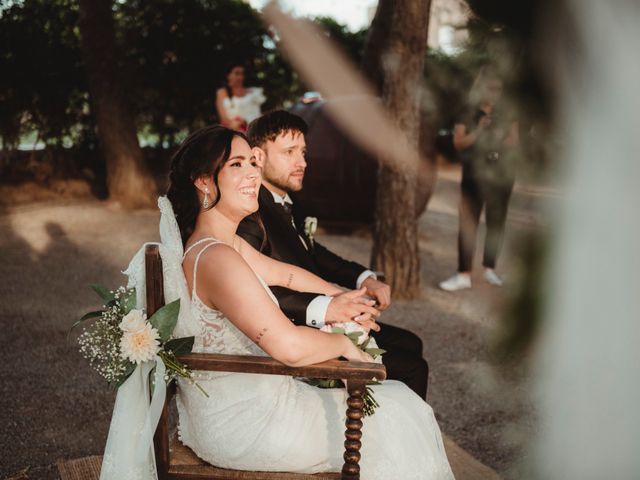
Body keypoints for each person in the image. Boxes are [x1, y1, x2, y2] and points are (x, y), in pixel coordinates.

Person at [163, 125, 454, 479]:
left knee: (398, 405)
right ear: (204, 182)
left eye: (252, 163)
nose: (253, 173)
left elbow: (286, 276)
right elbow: (289, 347)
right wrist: (344, 343)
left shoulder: (219, 243)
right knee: (401, 417)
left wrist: (340, 297)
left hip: (254, 405)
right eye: (237, 165)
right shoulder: (216, 258)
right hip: (249, 425)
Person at [237, 110, 430, 400]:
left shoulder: (288, 200)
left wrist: (364, 279)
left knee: (411, 342)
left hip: (321, 310)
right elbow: (255, 291)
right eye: (289, 152)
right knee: (414, 367)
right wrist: (331, 308)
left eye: (303, 152)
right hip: (294, 328)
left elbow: (314, 254)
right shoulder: (251, 215)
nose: (302, 163)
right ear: (258, 157)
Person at [439, 66, 519, 291]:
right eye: (491, 88)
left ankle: (489, 270)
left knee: (496, 223)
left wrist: (499, 138)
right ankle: (463, 274)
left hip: (502, 173)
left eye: (498, 89)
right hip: (474, 172)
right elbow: (458, 142)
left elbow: (515, 141)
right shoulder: (467, 111)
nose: (494, 93)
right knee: (468, 223)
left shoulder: (508, 111)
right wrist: (480, 132)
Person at [215, 62, 265, 132]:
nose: (240, 77)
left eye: (242, 74)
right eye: (237, 73)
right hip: (229, 130)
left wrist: (245, 122)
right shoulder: (222, 92)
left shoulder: (252, 93)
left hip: (251, 129)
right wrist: (234, 125)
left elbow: (257, 113)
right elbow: (223, 116)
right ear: (228, 75)